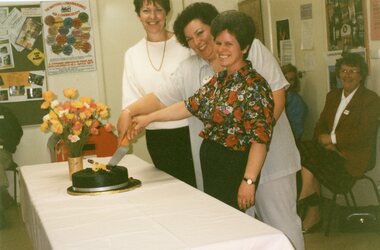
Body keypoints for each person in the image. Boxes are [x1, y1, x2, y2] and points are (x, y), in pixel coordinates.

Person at [117, 3, 304, 249]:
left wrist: (249, 161)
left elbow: (274, 102)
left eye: (201, 33)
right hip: (229, 169)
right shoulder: (213, 78)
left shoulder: (252, 66)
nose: (198, 42)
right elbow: (185, 103)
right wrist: (136, 113)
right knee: (241, 234)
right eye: (189, 39)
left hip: (267, 161)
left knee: (282, 227)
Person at [132, 9, 274, 212]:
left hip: (233, 167)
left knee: (233, 226)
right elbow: (188, 106)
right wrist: (148, 118)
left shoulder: (255, 86)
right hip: (212, 165)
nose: (221, 50)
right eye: (218, 43)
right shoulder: (219, 80)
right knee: (218, 222)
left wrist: (249, 182)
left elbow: (260, 140)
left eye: (229, 44)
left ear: (244, 48)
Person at [297, 53, 380, 233]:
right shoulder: (333, 96)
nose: (347, 75)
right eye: (343, 70)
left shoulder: (370, 99)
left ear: (361, 75)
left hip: (349, 158)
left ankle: (310, 206)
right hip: (328, 152)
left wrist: (333, 140)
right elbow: (320, 126)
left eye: (353, 71)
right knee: (300, 150)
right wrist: (323, 141)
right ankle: (310, 204)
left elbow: (364, 134)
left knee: (307, 160)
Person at [122, 0, 195, 187]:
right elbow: (132, 100)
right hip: (157, 136)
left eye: (158, 10)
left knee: (196, 191)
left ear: (167, 13)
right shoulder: (132, 54)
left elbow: (196, 95)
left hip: (191, 131)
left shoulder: (185, 46)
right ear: (139, 15)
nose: (152, 16)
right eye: (146, 10)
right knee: (168, 193)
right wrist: (127, 123)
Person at [0, 106, 23, 229]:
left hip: (2, 151)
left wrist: (7, 143)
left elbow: (18, 131)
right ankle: (3, 194)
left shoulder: (5, 112)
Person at [281, 64, 307, 142]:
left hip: (288, 141)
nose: (287, 82)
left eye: (291, 79)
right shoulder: (271, 95)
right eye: (285, 78)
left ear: (295, 82)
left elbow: (297, 132)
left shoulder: (297, 102)